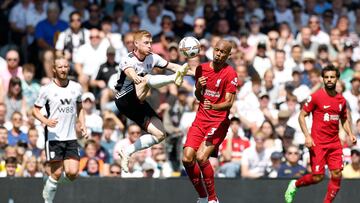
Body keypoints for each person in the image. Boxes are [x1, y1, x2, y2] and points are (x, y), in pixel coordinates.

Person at [115, 30, 189, 173]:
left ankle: (127, 152)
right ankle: (173, 79)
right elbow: (130, 71)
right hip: (124, 99)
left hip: (138, 102)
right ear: (136, 44)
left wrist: (199, 73)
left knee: (160, 134)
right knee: (146, 79)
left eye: (150, 43)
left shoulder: (152, 57)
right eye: (146, 43)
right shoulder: (128, 59)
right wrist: (136, 77)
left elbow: (174, 67)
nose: (150, 46)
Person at [284, 65, 357, 203]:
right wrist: (307, 136)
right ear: (323, 79)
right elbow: (301, 116)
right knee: (318, 177)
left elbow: (343, 118)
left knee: (337, 174)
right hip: (318, 143)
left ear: (337, 79)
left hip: (334, 143)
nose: (329, 80)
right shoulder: (316, 97)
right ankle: (295, 184)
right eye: (327, 77)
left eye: (332, 77)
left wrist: (350, 133)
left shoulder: (341, 100)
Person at [181, 39, 238, 203]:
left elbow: (229, 103)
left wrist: (213, 106)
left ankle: (213, 199)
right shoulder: (201, 69)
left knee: (201, 157)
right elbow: (199, 97)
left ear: (228, 55)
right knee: (186, 158)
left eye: (223, 52)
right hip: (200, 120)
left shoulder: (230, 73)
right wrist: (198, 87)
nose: (218, 54)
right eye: (217, 50)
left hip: (218, 122)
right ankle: (202, 197)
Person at [32, 56, 87, 203]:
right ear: (54, 70)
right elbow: (35, 111)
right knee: (56, 173)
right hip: (54, 137)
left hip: (71, 137)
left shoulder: (76, 87)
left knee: (72, 173)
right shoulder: (47, 90)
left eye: (66, 67)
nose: (63, 70)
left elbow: (80, 108)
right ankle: (48, 200)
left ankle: (50, 183)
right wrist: (46, 121)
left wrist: (83, 124)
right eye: (60, 67)